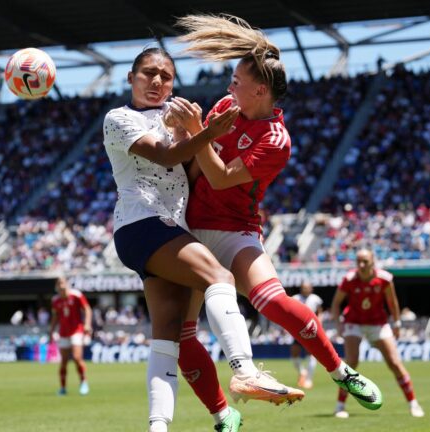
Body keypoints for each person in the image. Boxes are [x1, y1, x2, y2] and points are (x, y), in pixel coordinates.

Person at [164, 14, 382, 423]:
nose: (228, 87)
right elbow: (195, 166)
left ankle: (341, 372)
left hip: (235, 230)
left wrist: (199, 132)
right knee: (183, 334)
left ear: (260, 90)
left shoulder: (276, 141)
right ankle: (223, 415)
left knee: (273, 301)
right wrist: (185, 136)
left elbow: (221, 177)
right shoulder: (227, 106)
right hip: (190, 228)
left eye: (236, 80)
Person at [103, 46, 301, 432]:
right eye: (147, 73)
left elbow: (197, 165)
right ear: (130, 78)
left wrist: (192, 128)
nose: (157, 81)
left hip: (169, 228)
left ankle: (162, 426)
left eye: (166, 76)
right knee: (220, 277)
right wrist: (204, 131)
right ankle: (244, 369)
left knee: (169, 335)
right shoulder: (119, 118)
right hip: (143, 224)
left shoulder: (178, 115)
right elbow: (166, 156)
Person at [329, 249, 424, 418]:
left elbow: (392, 302)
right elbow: (336, 304)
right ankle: (340, 406)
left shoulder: (385, 279)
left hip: (378, 324)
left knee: (394, 362)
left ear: (373, 261)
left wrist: (397, 323)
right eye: (359, 262)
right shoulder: (349, 279)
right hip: (354, 322)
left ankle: (413, 404)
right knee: (351, 363)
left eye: (365, 261)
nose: (362, 265)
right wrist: (338, 325)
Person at [49, 275, 93, 396]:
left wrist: (87, 324)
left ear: (67, 283)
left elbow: (87, 309)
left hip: (77, 331)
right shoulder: (55, 300)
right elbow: (55, 317)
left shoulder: (76, 295)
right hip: (63, 332)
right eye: (59, 283)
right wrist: (51, 331)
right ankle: (63, 388)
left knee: (77, 358)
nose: (61, 285)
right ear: (56, 286)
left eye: (63, 282)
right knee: (63, 361)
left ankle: (83, 382)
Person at [289, 282, 322, 390]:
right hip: (298, 329)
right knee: (294, 353)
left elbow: (319, 313)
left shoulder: (315, 299)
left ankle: (309, 379)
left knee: (311, 353)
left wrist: (319, 324)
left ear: (311, 288)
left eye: (307, 287)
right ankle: (302, 372)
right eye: (303, 287)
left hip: (311, 329)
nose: (305, 289)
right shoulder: (295, 298)